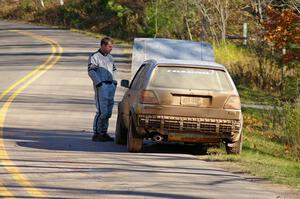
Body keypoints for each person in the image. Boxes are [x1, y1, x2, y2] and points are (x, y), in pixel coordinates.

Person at [88, 37, 117, 141]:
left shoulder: (110, 57)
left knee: (108, 112)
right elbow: (91, 71)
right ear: (103, 45)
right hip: (102, 86)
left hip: (110, 86)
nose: (111, 48)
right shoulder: (95, 56)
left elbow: (114, 70)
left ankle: (104, 133)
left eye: (111, 46)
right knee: (102, 111)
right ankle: (96, 133)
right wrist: (98, 83)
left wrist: (115, 82)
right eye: (109, 46)